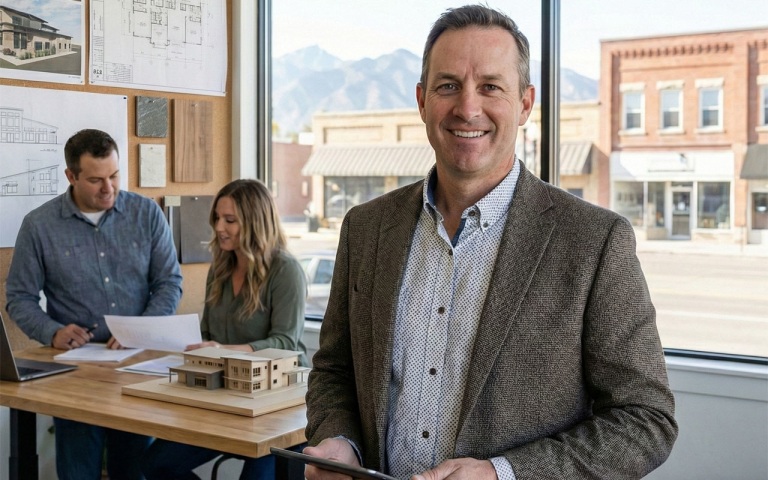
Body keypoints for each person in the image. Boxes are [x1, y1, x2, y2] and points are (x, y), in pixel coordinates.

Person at [303, 5, 677, 480]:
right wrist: (339, 440)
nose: (468, 107)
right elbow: (335, 370)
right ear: (422, 100)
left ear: (524, 104)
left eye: (491, 87)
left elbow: (645, 420)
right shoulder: (366, 229)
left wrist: (505, 474)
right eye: (448, 86)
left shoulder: (594, 242)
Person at [6, 128, 183, 480]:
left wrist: (140, 329)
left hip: (137, 368)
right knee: (78, 471)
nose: (109, 188)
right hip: (75, 376)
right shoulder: (39, 226)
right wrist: (52, 332)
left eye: (115, 175)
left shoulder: (146, 213)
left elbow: (169, 283)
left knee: (133, 470)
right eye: (96, 179)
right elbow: (19, 298)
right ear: (71, 176)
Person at [142, 179, 308, 480]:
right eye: (216, 218)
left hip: (280, 405)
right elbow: (207, 335)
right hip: (228, 397)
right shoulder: (219, 269)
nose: (219, 227)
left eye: (230, 220)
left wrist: (222, 351)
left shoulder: (286, 270)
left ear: (255, 222)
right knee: (156, 465)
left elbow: (285, 344)